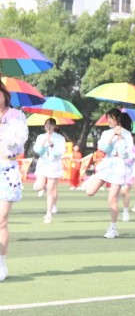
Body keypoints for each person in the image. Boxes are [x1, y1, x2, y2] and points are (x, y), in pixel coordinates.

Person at [85, 109, 135, 239]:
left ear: (117, 119)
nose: (108, 121)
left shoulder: (127, 134)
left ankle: (113, 228)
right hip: (107, 164)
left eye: (110, 118)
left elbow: (129, 153)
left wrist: (121, 139)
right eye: (107, 118)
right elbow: (102, 148)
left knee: (112, 198)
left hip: (119, 167)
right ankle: (90, 178)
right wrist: (113, 136)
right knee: (89, 192)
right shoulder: (106, 133)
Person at [0, 82, 29, 281]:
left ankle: (1, 262)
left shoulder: (16, 116)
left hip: (6, 169)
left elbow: (19, 140)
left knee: (1, 219)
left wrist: (3, 127)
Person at [32, 118, 67, 223]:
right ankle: (43, 187)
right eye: (47, 124)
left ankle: (48, 214)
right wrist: (43, 142)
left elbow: (60, 152)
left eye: (51, 124)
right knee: (39, 186)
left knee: (51, 190)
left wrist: (52, 145)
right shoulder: (40, 137)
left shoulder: (60, 138)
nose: (48, 126)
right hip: (43, 164)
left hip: (53, 165)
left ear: (54, 126)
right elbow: (37, 150)